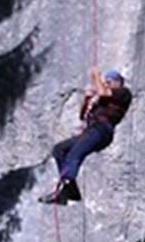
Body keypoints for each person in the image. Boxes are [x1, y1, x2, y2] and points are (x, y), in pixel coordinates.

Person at [39, 67, 132, 204]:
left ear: (118, 82)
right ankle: (71, 189)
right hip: (93, 130)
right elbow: (82, 116)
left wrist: (96, 76)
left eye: (109, 81)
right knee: (59, 149)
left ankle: (66, 188)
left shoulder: (123, 93)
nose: (106, 83)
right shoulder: (102, 100)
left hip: (102, 130)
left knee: (75, 153)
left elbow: (103, 92)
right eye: (106, 81)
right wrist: (88, 98)